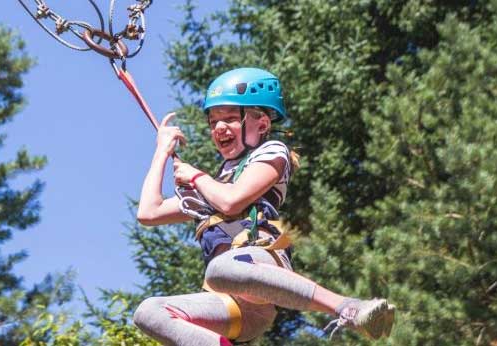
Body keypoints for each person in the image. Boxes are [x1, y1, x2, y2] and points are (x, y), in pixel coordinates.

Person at [133, 68, 395, 345]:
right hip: (230, 305)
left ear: (261, 124)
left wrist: (197, 177)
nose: (219, 128)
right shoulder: (214, 185)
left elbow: (232, 202)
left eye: (231, 118)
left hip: (256, 264)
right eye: (213, 122)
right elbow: (148, 213)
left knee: (221, 270)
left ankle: (349, 307)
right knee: (149, 312)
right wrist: (161, 152)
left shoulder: (272, 152)